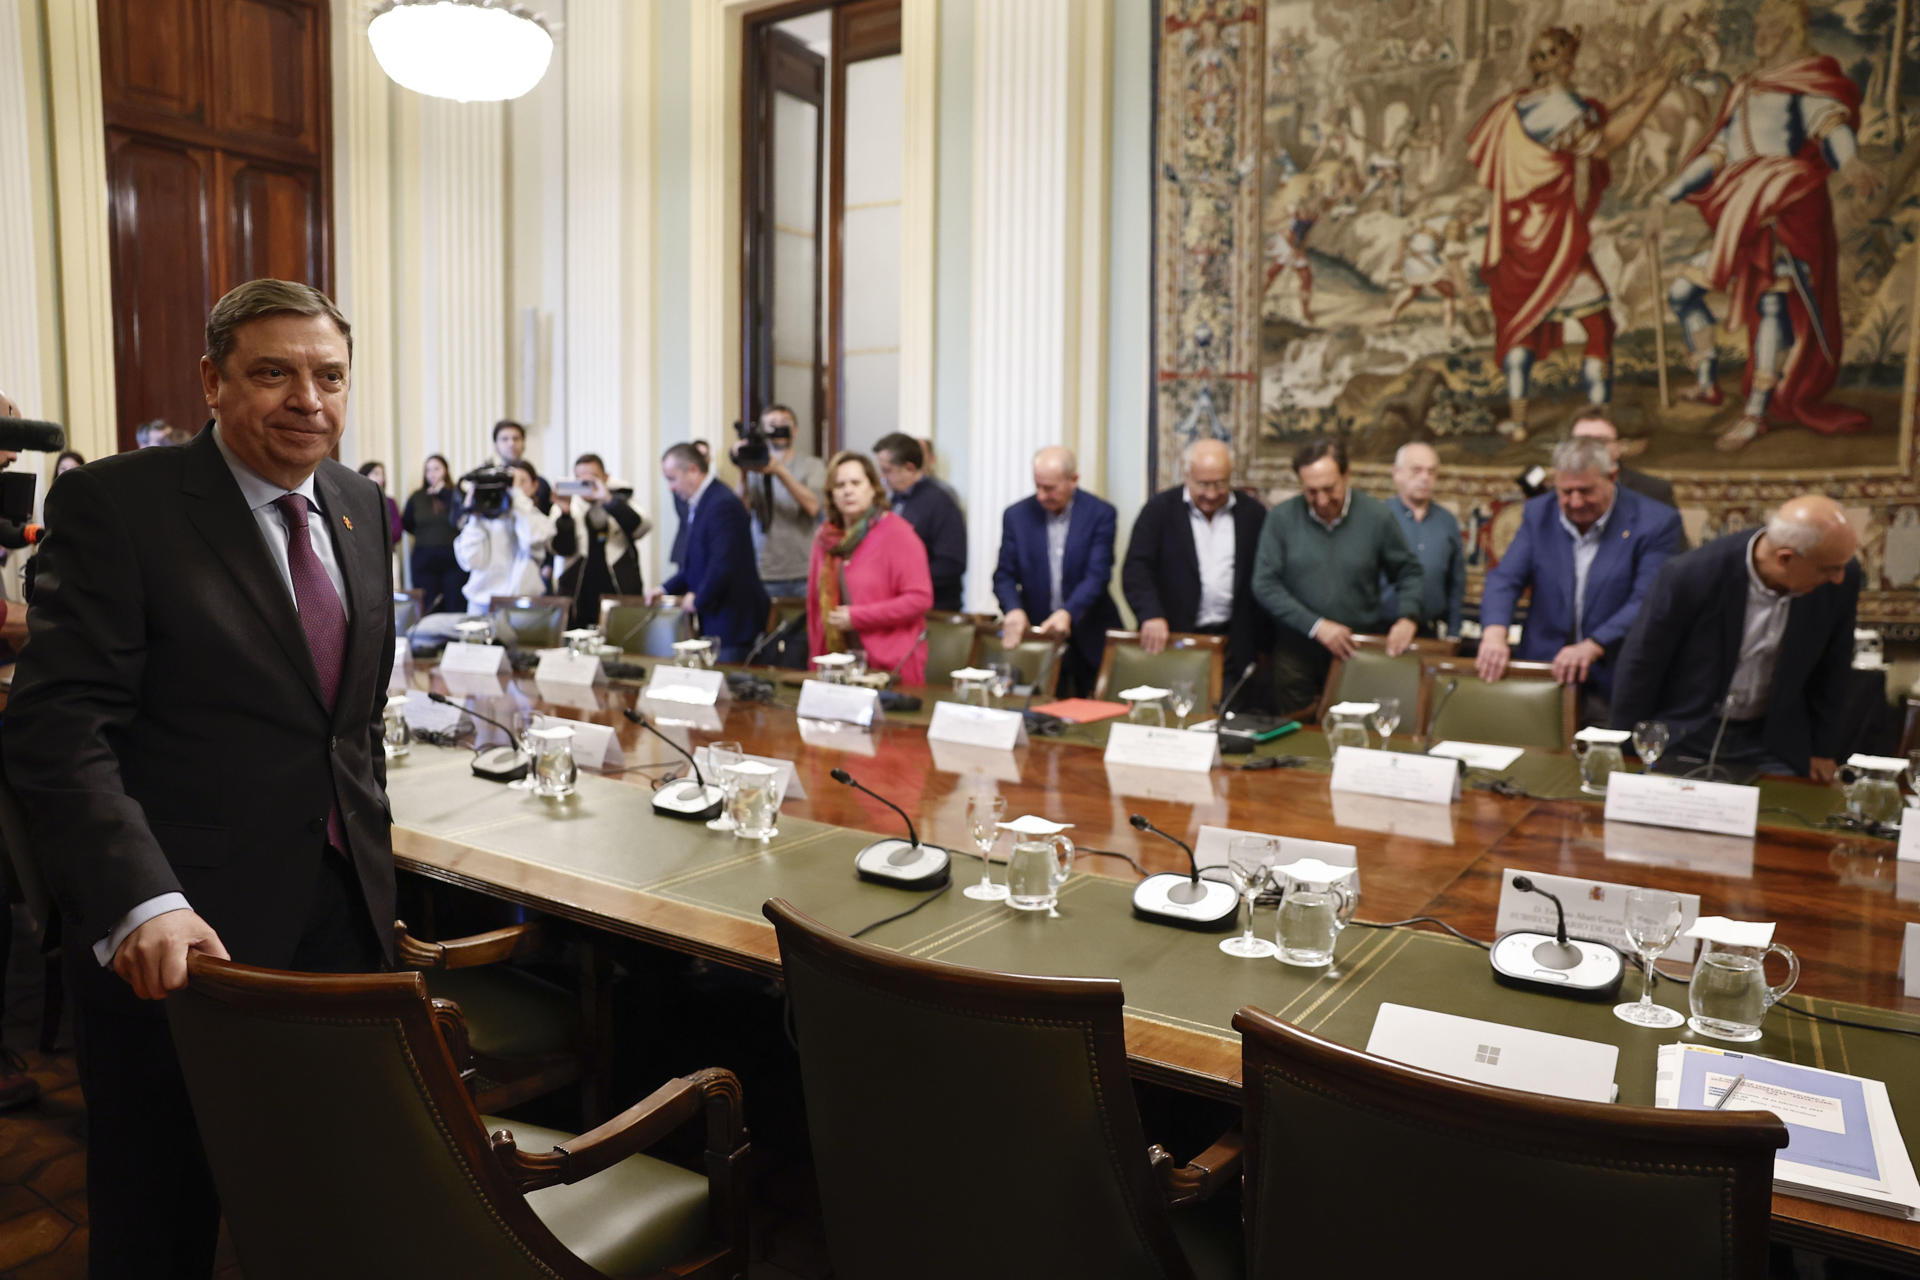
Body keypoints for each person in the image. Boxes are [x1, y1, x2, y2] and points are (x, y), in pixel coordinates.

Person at [3, 279, 396, 1278]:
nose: (309, 398)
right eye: (275, 372)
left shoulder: (356, 504)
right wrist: (141, 897)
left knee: (325, 1181)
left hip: (343, 911)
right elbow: (60, 726)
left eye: (330, 375)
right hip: (182, 932)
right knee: (160, 1212)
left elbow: (344, 726)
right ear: (214, 381)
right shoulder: (122, 504)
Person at [1652, 0, 1884, 453]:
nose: (1760, 35)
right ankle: (1706, 382)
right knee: (1683, 293)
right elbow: (1716, 154)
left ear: (1788, 31)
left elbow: (1830, 123)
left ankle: (1755, 412)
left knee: (1773, 306)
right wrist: (1668, 194)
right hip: (1739, 211)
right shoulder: (1743, 88)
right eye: (1758, 26)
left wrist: (1850, 159)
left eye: (1768, 27)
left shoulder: (1805, 81)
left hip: (1783, 208)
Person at [1467, 25, 1673, 437]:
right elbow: (1600, 142)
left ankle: (1520, 421)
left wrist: (1628, 95)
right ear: (1560, 64)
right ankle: (1599, 415)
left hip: (1521, 234)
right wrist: (1655, 93)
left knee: (1522, 324)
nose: (1573, 66)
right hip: (1554, 238)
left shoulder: (1521, 104)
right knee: (1599, 326)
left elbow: (1582, 120)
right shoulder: (1559, 105)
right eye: (1569, 59)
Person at [1612, 495, 1857, 782]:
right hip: (1687, 733)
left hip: (1774, 742)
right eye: (1829, 569)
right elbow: (1642, 663)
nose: (1838, 577)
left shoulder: (1841, 579)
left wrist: (1822, 750)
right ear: (1785, 558)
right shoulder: (1691, 575)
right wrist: (1627, 748)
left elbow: (1834, 667)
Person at [1476, 437, 1682, 712]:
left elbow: (1647, 599)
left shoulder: (1655, 522)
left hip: (1615, 678)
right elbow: (1505, 579)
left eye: (1586, 491)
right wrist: (1493, 635)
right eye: (1566, 491)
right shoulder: (1539, 514)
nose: (1575, 501)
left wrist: (1594, 645)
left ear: (1612, 477)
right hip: (1544, 675)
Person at [1252, 436, 1424, 713]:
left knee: (1355, 738)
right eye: (1311, 491)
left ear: (1346, 474)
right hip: (1295, 656)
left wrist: (1407, 617)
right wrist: (1317, 625)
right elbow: (1264, 584)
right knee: (1297, 744)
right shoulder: (1282, 519)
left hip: (1356, 653)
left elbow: (1409, 572)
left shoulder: (1376, 517)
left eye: (1329, 489)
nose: (1321, 500)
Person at [1121, 437, 1272, 682]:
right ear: (1187, 475)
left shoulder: (1253, 514)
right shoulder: (1158, 511)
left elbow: (1265, 577)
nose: (1211, 494)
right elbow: (1136, 569)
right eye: (1203, 484)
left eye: (1220, 483)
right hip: (1174, 638)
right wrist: (1150, 614)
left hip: (1234, 641)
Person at [991, 445, 1122, 697]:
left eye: (1049, 488)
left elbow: (1098, 575)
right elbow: (1003, 575)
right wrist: (1013, 609)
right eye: (1037, 485)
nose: (1041, 495)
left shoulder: (1100, 513)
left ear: (1073, 480)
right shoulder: (1016, 515)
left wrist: (1068, 612)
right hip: (1039, 635)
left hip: (1090, 633)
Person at [807, 451, 933, 683]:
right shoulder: (825, 539)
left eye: (856, 483)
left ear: (873, 488)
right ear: (831, 493)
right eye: (839, 485)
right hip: (835, 663)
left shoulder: (898, 533)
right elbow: (815, 607)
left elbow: (920, 598)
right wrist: (816, 661)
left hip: (890, 666)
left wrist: (858, 616)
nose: (847, 490)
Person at [654, 443, 768, 663]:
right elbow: (696, 564)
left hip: (732, 620)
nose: (670, 487)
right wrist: (665, 588)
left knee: (727, 691)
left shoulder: (722, 504)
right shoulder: (702, 502)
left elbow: (723, 564)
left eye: (672, 478)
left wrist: (698, 598)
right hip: (717, 617)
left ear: (693, 471)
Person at [552, 451, 650, 627]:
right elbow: (562, 549)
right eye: (580, 478)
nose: (587, 483)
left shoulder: (621, 497)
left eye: (593, 477)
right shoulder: (566, 506)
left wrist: (608, 500)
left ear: (605, 477)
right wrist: (565, 514)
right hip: (578, 594)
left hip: (619, 587)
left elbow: (640, 528)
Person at [736, 405, 825, 599]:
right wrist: (743, 468)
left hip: (804, 569)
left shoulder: (813, 465)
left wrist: (779, 470)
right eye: (772, 425)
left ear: (795, 430)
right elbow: (741, 513)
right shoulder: (753, 467)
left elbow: (813, 506)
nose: (778, 430)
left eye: (784, 424)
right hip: (764, 569)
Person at [1378, 441, 1466, 638]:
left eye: (1431, 472)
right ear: (1397, 473)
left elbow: (1456, 583)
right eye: (1416, 470)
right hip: (1382, 631)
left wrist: (1454, 632)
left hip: (1429, 634)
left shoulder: (1447, 521)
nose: (1425, 478)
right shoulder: (1379, 517)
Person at [874, 432, 966, 611]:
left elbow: (952, 564)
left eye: (887, 470)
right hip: (894, 604)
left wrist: (904, 579)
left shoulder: (941, 501)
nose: (882, 478)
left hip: (934, 608)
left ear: (909, 468)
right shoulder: (891, 501)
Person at [454, 460, 555, 612]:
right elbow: (471, 561)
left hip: (522, 603)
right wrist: (475, 512)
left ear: (535, 486)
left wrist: (517, 497)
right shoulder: (481, 521)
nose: (512, 487)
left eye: (522, 481)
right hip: (482, 603)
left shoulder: (535, 518)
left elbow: (532, 538)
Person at [1568, 411, 1677, 511]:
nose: (1592, 448)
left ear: (1618, 447)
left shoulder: (1654, 492)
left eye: (1601, 441)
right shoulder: (1555, 495)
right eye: (1582, 442)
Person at [402, 454, 465, 615]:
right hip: (425, 559)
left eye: (436, 469)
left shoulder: (455, 493)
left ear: (445, 471)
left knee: (455, 604)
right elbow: (407, 523)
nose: (432, 473)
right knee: (427, 606)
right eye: (428, 470)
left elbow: (464, 516)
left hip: (453, 559)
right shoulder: (417, 497)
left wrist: (444, 492)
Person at [491, 418, 552, 512]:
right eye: (504, 439)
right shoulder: (490, 483)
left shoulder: (541, 484)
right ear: (495, 445)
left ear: (523, 444)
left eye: (516, 439)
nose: (511, 444)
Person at [357, 459, 404, 544]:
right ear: (364, 475)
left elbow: (397, 533)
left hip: (387, 551)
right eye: (376, 473)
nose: (381, 477)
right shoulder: (357, 501)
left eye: (383, 474)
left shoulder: (390, 502)